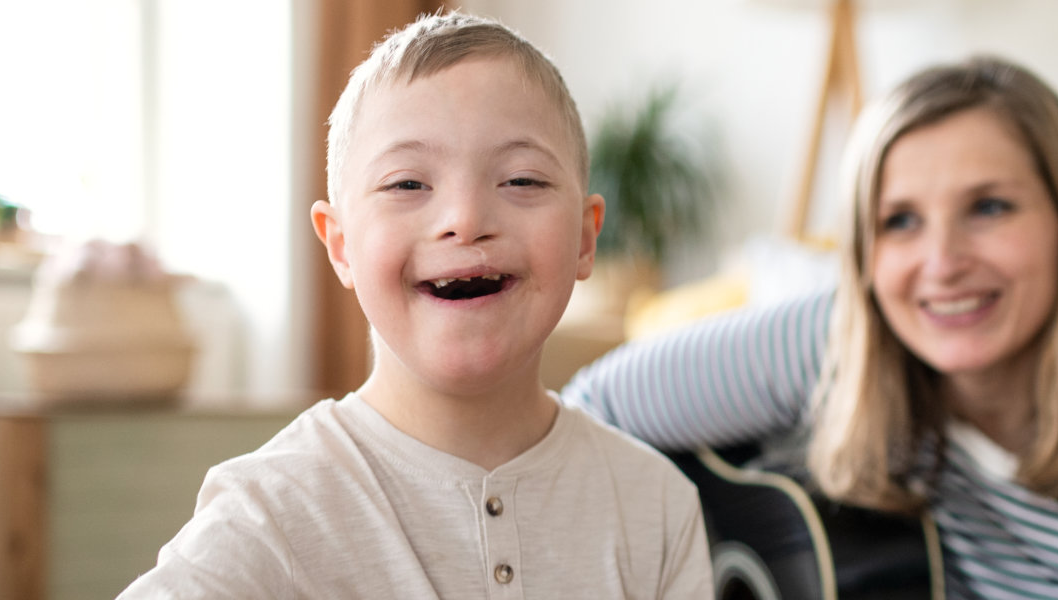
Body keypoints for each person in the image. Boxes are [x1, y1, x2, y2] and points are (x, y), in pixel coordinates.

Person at [564, 55, 1058, 599]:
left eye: (988, 206)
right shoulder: (832, 341)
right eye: (899, 221)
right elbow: (585, 416)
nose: (943, 262)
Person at [120, 12, 711, 599]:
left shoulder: (656, 504)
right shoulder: (272, 510)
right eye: (408, 184)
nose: (465, 220)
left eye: (522, 180)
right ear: (342, 246)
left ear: (585, 238)